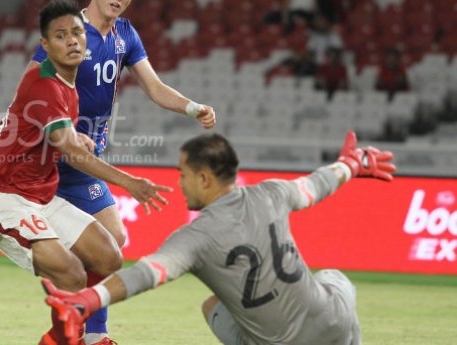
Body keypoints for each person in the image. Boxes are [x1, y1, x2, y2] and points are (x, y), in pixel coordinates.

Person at [0, 0, 216, 344]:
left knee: (111, 244)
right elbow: (31, 85)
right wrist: (56, 131)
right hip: (56, 156)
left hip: (86, 159)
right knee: (50, 235)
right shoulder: (69, 33)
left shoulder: (125, 35)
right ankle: (88, 334)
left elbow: (154, 87)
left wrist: (192, 107)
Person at [41, 131, 396, 345]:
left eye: (184, 174)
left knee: (216, 310)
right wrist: (353, 162)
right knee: (334, 278)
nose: (179, 182)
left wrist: (85, 300)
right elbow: (319, 183)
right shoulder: (272, 192)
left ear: (205, 179)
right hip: (336, 325)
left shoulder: (195, 237)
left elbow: (145, 274)